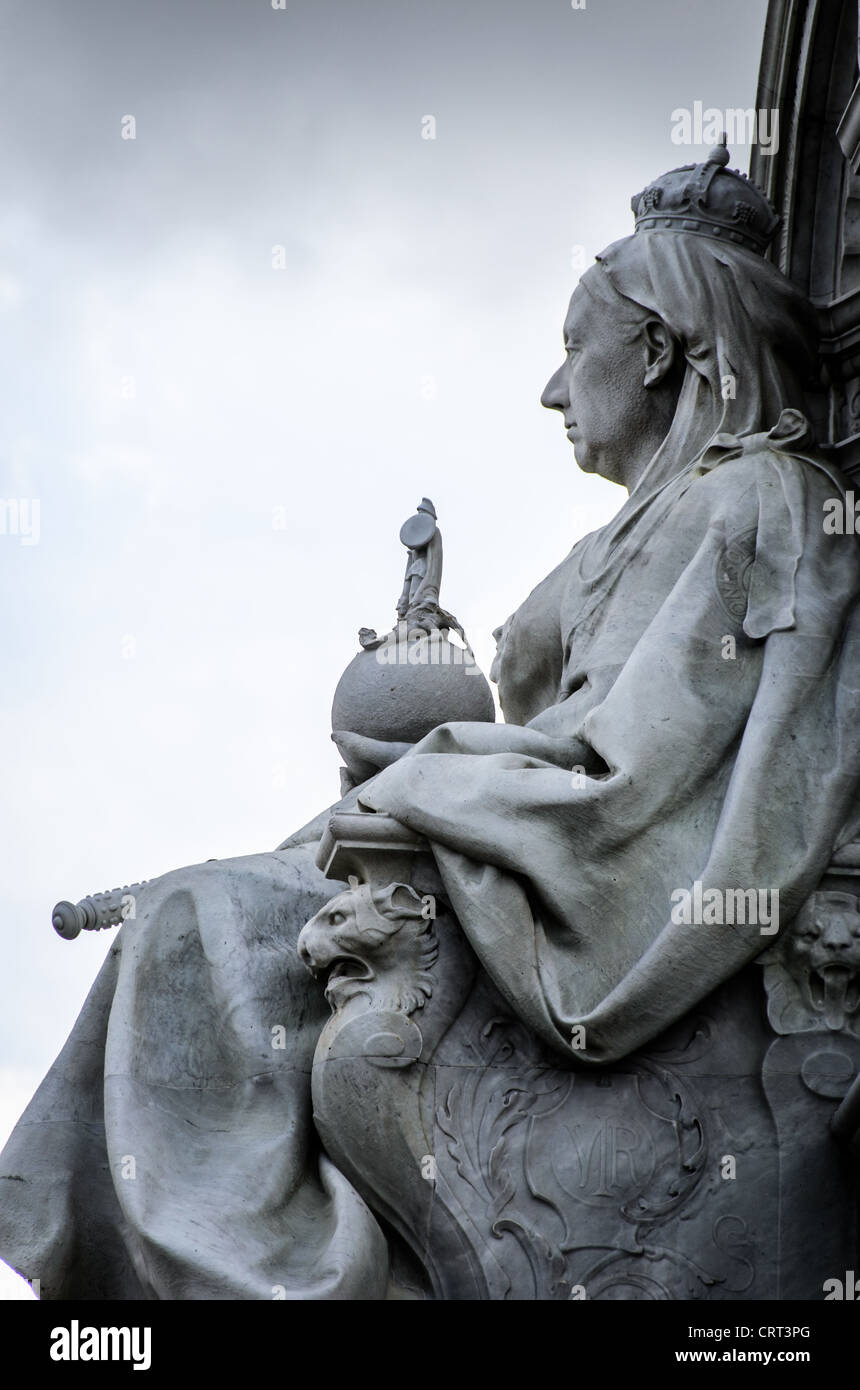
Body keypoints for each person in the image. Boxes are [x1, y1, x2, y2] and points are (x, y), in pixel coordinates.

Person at [3, 144, 860, 1298]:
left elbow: (630, 780)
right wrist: (420, 702)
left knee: (205, 923)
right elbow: (526, 717)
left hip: (583, 896)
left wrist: (421, 780)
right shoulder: (622, 541)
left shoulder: (762, 500)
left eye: (571, 348)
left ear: (655, 350)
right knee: (191, 914)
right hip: (497, 860)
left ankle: (265, 1282)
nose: (552, 391)